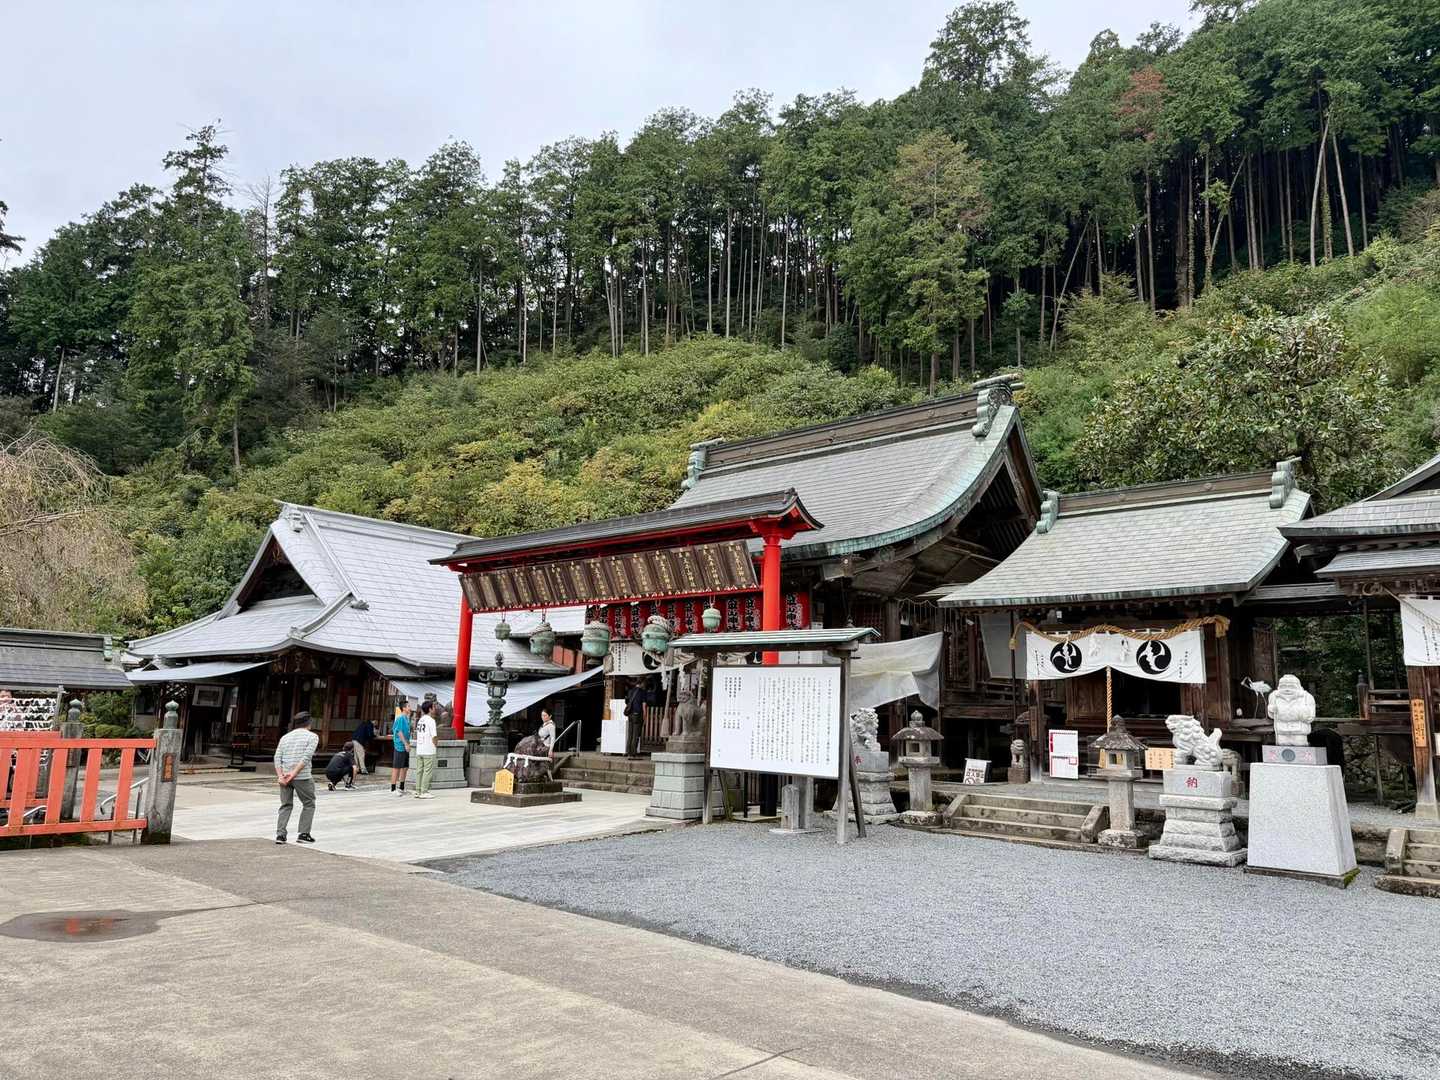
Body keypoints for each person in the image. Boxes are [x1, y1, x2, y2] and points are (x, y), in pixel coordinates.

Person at [274, 712, 319, 844]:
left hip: (284, 776)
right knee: (309, 803)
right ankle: (304, 834)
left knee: (285, 805)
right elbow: (306, 758)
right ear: (309, 723)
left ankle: (280, 835)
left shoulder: (285, 737)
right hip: (302, 777)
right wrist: (293, 774)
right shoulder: (312, 737)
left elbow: (277, 757)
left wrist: (280, 776)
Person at [413, 700, 438, 799]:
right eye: (433, 707)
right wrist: (435, 745)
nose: (435, 709)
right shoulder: (431, 721)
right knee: (427, 771)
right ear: (430, 709)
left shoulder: (421, 720)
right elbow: (434, 736)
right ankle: (424, 791)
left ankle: (418, 791)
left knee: (419, 771)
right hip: (428, 749)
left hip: (420, 749)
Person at [390, 702, 412, 796]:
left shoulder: (407, 718)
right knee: (397, 767)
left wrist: (408, 744)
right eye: (408, 706)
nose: (410, 708)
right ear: (404, 708)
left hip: (406, 745)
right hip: (400, 745)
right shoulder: (400, 718)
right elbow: (399, 732)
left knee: (405, 767)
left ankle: (401, 787)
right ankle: (393, 788)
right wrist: (405, 744)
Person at [624, 679, 647, 757]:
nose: (644, 685)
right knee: (636, 734)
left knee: (630, 733)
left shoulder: (630, 691)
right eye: (644, 684)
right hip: (637, 715)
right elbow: (644, 706)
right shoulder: (642, 692)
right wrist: (644, 717)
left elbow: (627, 702)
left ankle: (628, 752)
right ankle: (633, 753)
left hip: (630, 715)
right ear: (641, 684)